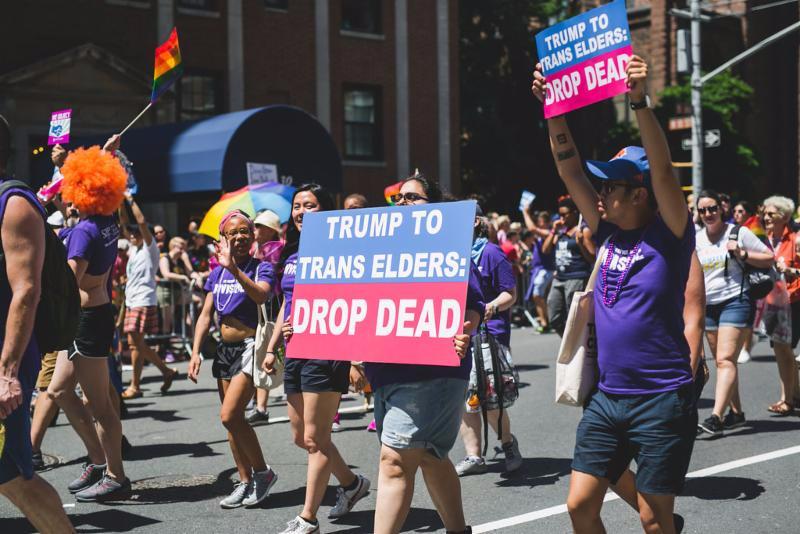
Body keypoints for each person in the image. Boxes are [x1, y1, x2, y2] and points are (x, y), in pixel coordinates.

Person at [533, 54, 697, 533]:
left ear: (641, 192)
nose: (600, 192)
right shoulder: (607, 230)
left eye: (613, 185)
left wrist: (640, 101)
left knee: (652, 517)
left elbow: (664, 169)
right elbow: (570, 171)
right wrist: (553, 110)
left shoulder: (670, 232)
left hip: (661, 397)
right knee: (580, 505)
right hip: (608, 396)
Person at [361, 174, 481, 534]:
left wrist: (466, 327)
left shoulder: (449, 246)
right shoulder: (378, 249)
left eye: (414, 197)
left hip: (433, 368)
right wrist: (352, 357)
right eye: (399, 198)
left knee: (395, 460)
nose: (404, 203)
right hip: (387, 370)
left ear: (435, 207)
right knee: (431, 456)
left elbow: (474, 304)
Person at [268, 184, 371, 534]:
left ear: (326, 211)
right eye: (296, 206)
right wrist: (271, 347)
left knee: (316, 438)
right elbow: (287, 301)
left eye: (309, 205)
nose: (300, 211)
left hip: (328, 349)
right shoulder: (291, 253)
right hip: (295, 350)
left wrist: (356, 357)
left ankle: (307, 517)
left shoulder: (342, 251)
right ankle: (352, 484)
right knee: (302, 437)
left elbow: (357, 301)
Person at [0, 115, 75, 533]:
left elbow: (26, 291)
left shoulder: (14, 204)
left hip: (4, 361)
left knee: (11, 474)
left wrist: (7, 373)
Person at [46, 135, 131, 502]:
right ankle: (98, 462)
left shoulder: (83, 232)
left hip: (87, 321)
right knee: (58, 390)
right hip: (90, 318)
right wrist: (105, 152)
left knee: (101, 407)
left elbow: (68, 283)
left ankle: (116, 475)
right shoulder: (106, 220)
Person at [188, 209, 278, 509]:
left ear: (252, 237)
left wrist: (235, 270)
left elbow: (262, 296)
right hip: (223, 352)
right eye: (233, 233)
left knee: (230, 415)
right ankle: (244, 480)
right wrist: (195, 352)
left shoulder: (260, 268)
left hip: (250, 348)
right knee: (232, 423)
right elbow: (205, 315)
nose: (240, 236)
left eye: (245, 232)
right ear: (223, 240)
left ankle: (263, 473)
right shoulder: (216, 273)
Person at [694, 190, 773, 436]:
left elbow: (769, 257)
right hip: (708, 306)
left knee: (725, 360)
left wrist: (742, 253)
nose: (708, 214)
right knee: (722, 362)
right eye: (703, 210)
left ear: (721, 209)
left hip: (735, 301)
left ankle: (716, 417)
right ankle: (736, 414)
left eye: (712, 208)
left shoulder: (737, 233)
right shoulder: (696, 239)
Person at [455, 207, 522, 477]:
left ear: (475, 222)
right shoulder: (453, 255)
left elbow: (511, 294)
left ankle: (507, 442)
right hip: (462, 335)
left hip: (489, 335)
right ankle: (474, 456)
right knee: (466, 397)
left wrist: (492, 306)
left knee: (490, 398)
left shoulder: (491, 253)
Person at [119, 195, 179, 399]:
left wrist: (130, 199)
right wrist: (119, 201)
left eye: (137, 232)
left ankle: (135, 386)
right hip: (133, 300)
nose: (133, 234)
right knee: (138, 343)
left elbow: (141, 222)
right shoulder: (134, 250)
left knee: (135, 344)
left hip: (143, 299)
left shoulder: (149, 248)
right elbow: (124, 224)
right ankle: (166, 371)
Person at [760, 196, 800, 415]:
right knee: (781, 349)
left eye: (771, 214)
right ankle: (795, 394)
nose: (766, 217)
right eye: (764, 213)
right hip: (773, 301)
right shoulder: (764, 239)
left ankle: (787, 399)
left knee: (785, 349)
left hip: (795, 299)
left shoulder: (796, 238)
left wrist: (790, 272)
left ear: (784, 216)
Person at [247, 209, 283, 427]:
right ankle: (260, 406)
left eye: (259, 226)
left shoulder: (278, 249)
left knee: (272, 351)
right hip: (258, 305)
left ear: (271, 230)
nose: (255, 229)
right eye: (255, 225)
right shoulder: (253, 248)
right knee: (261, 351)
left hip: (275, 304)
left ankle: (261, 406)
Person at [541, 195, 595, 336]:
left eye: (565, 214)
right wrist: (553, 231)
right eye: (560, 215)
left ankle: (577, 347)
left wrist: (581, 243)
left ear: (575, 213)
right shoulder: (560, 232)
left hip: (576, 278)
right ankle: (569, 343)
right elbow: (545, 250)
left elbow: (592, 258)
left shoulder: (583, 230)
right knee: (554, 316)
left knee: (575, 318)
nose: (562, 218)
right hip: (559, 278)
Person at [523, 209, 556, 332]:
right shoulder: (541, 234)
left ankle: (545, 321)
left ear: (547, 223)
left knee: (537, 294)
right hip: (541, 270)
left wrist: (525, 212)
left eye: (541, 222)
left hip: (546, 269)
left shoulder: (548, 233)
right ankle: (546, 321)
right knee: (542, 296)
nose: (538, 224)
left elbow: (531, 229)